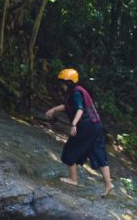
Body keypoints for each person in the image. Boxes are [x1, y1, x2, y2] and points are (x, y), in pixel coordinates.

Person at [44, 68, 113, 197]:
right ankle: (108, 184)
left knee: (70, 149)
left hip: (87, 126)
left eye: (63, 83)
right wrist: (53, 110)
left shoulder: (75, 93)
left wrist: (74, 124)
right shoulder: (77, 92)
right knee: (98, 152)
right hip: (96, 125)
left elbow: (80, 110)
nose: (61, 85)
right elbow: (68, 106)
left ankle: (73, 180)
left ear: (69, 83)